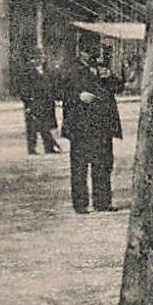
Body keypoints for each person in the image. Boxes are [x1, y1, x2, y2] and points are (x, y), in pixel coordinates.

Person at [60, 42, 121, 212]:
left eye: (94, 52)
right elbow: (57, 91)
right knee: (80, 166)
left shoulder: (102, 68)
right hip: (80, 125)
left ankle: (102, 202)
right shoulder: (70, 68)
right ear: (80, 52)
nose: (92, 56)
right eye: (88, 52)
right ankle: (80, 204)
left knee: (103, 164)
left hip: (102, 125)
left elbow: (119, 87)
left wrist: (110, 76)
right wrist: (78, 95)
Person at [20, 59, 60, 155]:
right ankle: (32, 148)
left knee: (46, 126)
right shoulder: (28, 73)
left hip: (47, 103)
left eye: (41, 58)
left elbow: (51, 86)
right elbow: (24, 90)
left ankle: (49, 147)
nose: (39, 61)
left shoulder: (47, 71)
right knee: (32, 127)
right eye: (36, 58)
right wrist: (28, 103)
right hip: (34, 103)